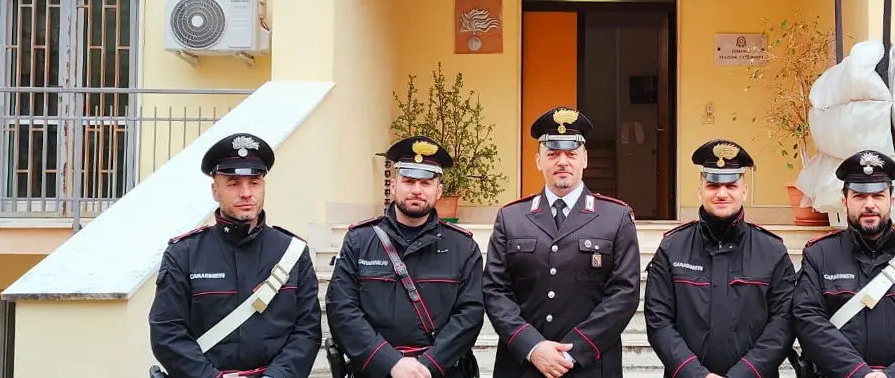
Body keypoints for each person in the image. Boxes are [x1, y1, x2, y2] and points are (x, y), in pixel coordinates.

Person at [482, 107, 641, 378]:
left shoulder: (616, 217)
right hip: (523, 365)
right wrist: (532, 346)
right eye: (553, 154)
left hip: (590, 365)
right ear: (538, 161)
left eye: (571, 154)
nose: (563, 162)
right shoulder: (511, 217)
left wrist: (573, 352)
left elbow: (624, 295)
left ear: (585, 159)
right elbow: (495, 290)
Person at [148, 132, 322, 378]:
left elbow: (307, 330)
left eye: (254, 182)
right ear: (215, 191)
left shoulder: (292, 252)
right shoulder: (183, 254)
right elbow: (167, 332)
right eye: (233, 183)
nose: (246, 193)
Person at [325, 135, 483, 378]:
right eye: (409, 181)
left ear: (439, 190)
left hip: (440, 372)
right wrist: (390, 363)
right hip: (375, 370)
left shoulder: (462, 247)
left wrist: (426, 367)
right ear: (394, 184)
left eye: (426, 183)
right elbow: (342, 308)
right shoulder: (360, 241)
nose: (417, 190)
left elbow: (470, 314)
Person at [793, 150, 895, 378]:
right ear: (845, 202)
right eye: (859, 196)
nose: (869, 204)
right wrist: (857, 373)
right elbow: (808, 320)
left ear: (891, 201)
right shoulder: (819, 255)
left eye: (878, 195)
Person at [644, 139, 797, 378]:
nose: (722, 193)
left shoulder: (772, 252)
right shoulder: (672, 248)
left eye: (731, 186)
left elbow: (784, 324)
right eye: (713, 185)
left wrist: (743, 374)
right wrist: (696, 374)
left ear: (744, 191)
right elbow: (658, 321)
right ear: (700, 190)